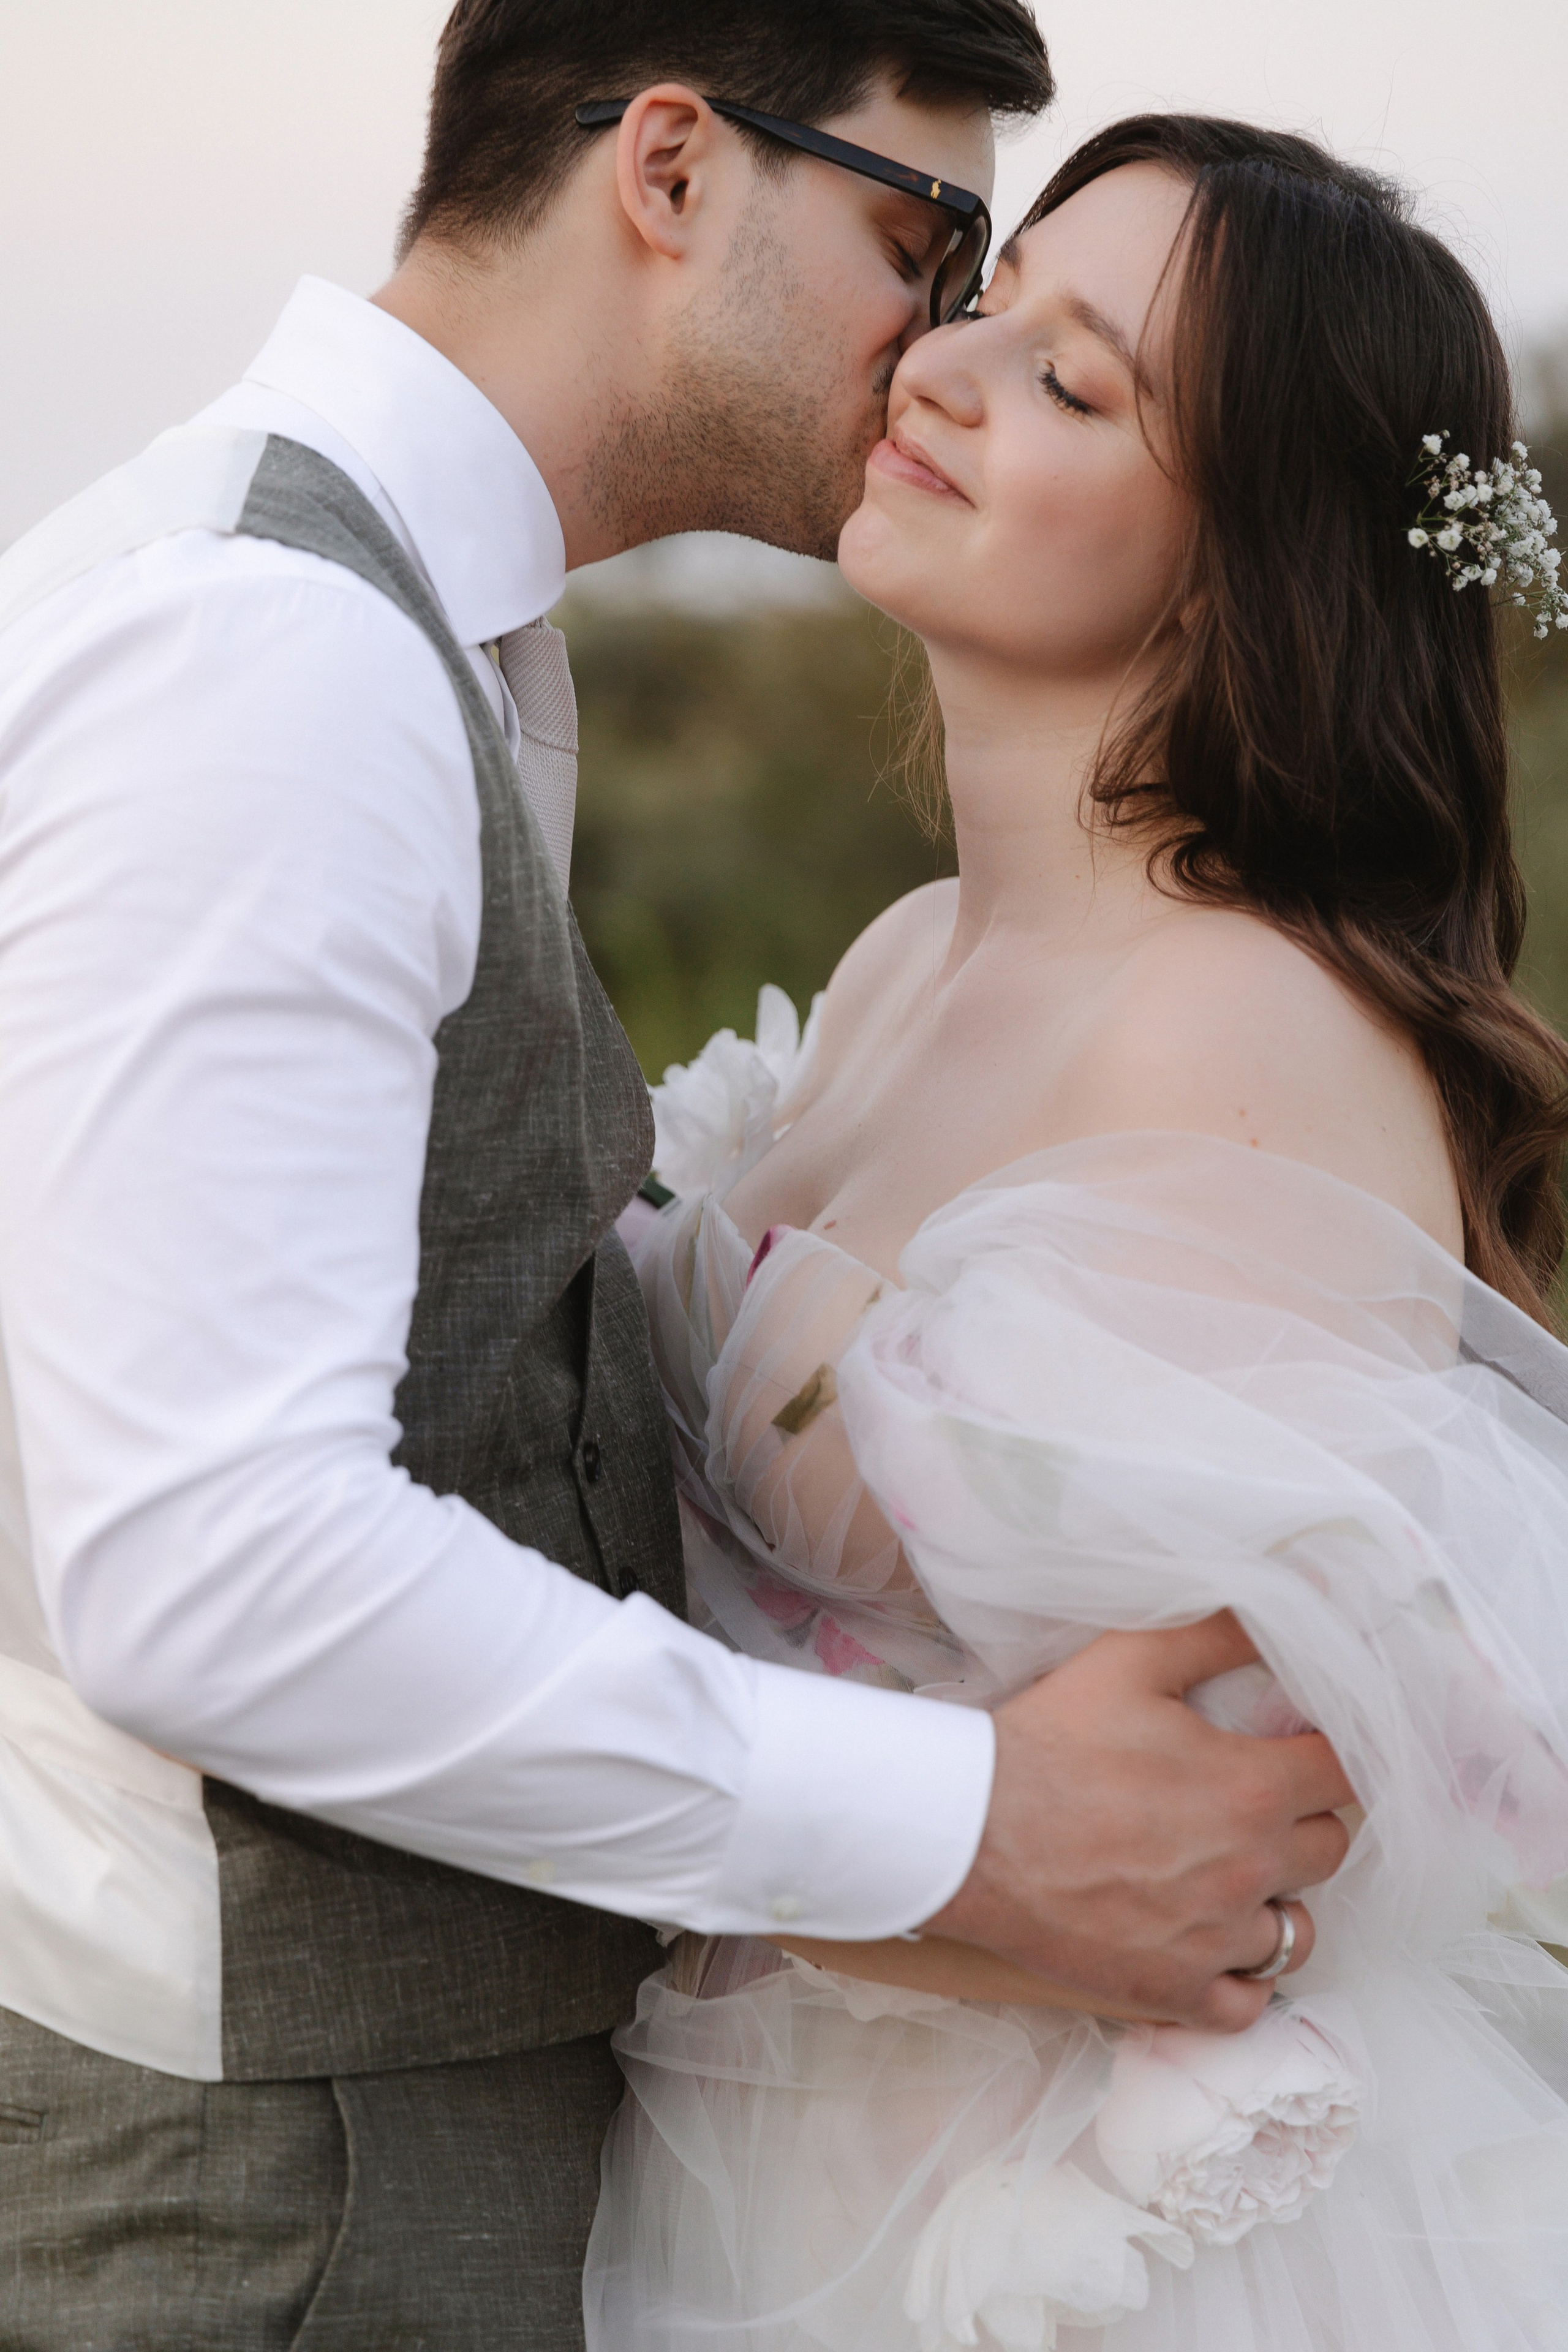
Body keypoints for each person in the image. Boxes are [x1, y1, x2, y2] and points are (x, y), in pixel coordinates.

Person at [0, 15, 1354, 2352]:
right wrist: (972, 1828)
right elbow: (208, 1563)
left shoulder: (398, 618)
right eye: (926, 240)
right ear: (668, 172)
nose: (932, 342)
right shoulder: (280, 653)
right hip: (285, 2190)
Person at [588, 116, 1568, 2351]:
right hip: (762, 2139)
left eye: (1076, 383)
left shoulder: (1239, 1030)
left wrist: (576, 1836)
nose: (944, 372)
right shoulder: (911, 955)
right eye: (990, 302)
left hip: (1067, 2235)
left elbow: (1227, 1857)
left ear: (1243, 563)